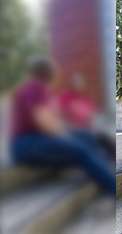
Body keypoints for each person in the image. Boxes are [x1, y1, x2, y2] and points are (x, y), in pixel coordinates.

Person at [10, 58, 115, 194]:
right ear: (49, 74)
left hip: (34, 139)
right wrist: (67, 137)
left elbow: (54, 120)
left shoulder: (39, 89)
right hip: (27, 143)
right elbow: (44, 121)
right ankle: (111, 190)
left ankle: (99, 170)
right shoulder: (36, 87)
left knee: (87, 137)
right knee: (81, 149)